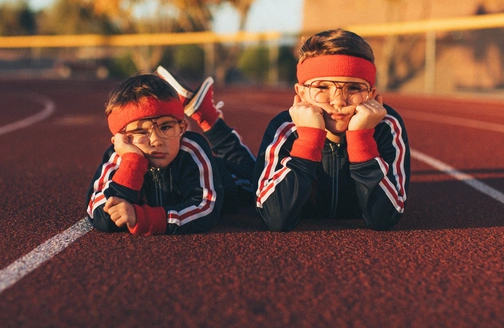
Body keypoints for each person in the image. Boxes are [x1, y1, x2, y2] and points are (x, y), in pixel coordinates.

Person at [253, 29, 410, 231]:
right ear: (301, 93)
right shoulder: (285, 128)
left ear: (371, 95)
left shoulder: (386, 126)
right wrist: (308, 140)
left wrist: (361, 140)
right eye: (322, 87)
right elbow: (275, 218)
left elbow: (385, 218)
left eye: (353, 88)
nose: (338, 101)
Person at [86, 71, 254, 235]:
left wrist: (144, 218)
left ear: (182, 128)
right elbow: (98, 211)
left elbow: (204, 208)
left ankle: (208, 117)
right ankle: (203, 112)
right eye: (140, 131)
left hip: (230, 180)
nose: (157, 140)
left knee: (255, 176)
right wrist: (132, 162)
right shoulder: (117, 158)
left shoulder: (192, 149)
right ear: (121, 139)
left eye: (166, 127)